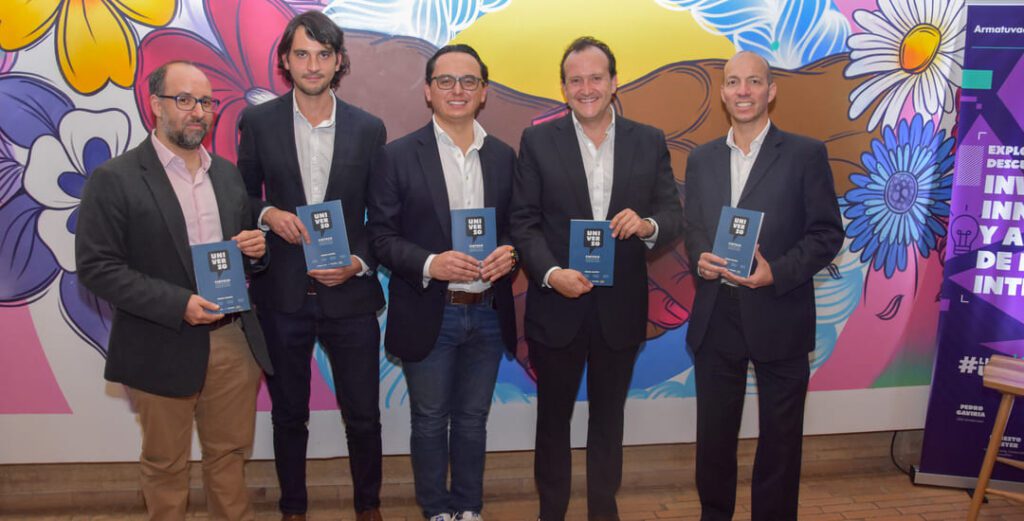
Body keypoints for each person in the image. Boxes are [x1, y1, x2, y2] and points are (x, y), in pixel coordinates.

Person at [76, 61, 272, 521]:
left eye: (206, 102)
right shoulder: (116, 178)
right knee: (165, 464)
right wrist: (177, 303)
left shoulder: (227, 176)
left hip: (231, 339)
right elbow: (97, 268)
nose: (198, 112)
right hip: (159, 339)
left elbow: (239, 253)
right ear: (156, 105)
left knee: (229, 456)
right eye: (184, 100)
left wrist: (256, 250)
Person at [510, 36, 683, 521]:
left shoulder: (648, 140)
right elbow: (523, 222)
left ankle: (603, 511)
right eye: (575, 80)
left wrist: (647, 225)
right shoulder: (538, 141)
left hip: (620, 308)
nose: (586, 88)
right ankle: (551, 512)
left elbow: (672, 213)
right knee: (553, 421)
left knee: (609, 421)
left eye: (595, 78)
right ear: (563, 88)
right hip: (557, 305)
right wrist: (551, 274)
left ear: (614, 82)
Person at [236, 11, 386, 521]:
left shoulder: (368, 128)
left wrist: (358, 262)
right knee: (288, 415)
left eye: (324, 54)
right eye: (302, 54)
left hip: (351, 296)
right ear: (285, 60)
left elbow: (381, 216)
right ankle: (293, 510)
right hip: (282, 295)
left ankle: (369, 507)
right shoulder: (258, 123)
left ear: (339, 61)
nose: (313, 65)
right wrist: (267, 214)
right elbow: (239, 196)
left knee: (363, 416)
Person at [683, 51, 844, 521]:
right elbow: (695, 228)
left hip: (780, 311)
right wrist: (701, 257)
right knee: (714, 439)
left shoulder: (805, 154)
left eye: (754, 82)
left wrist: (778, 271)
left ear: (771, 91)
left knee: (781, 442)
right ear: (723, 92)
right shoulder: (702, 159)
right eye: (734, 82)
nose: (743, 91)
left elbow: (826, 234)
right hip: (717, 315)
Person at [366, 44, 518, 521]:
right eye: (446, 81)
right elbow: (380, 237)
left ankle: (468, 507)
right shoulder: (396, 156)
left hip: (489, 311)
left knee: (473, 419)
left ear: (484, 91)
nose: (458, 90)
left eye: (469, 81)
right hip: (430, 309)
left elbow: (519, 226)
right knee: (430, 420)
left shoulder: (504, 156)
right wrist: (432, 263)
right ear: (428, 91)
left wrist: (511, 252)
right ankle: (435, 509)